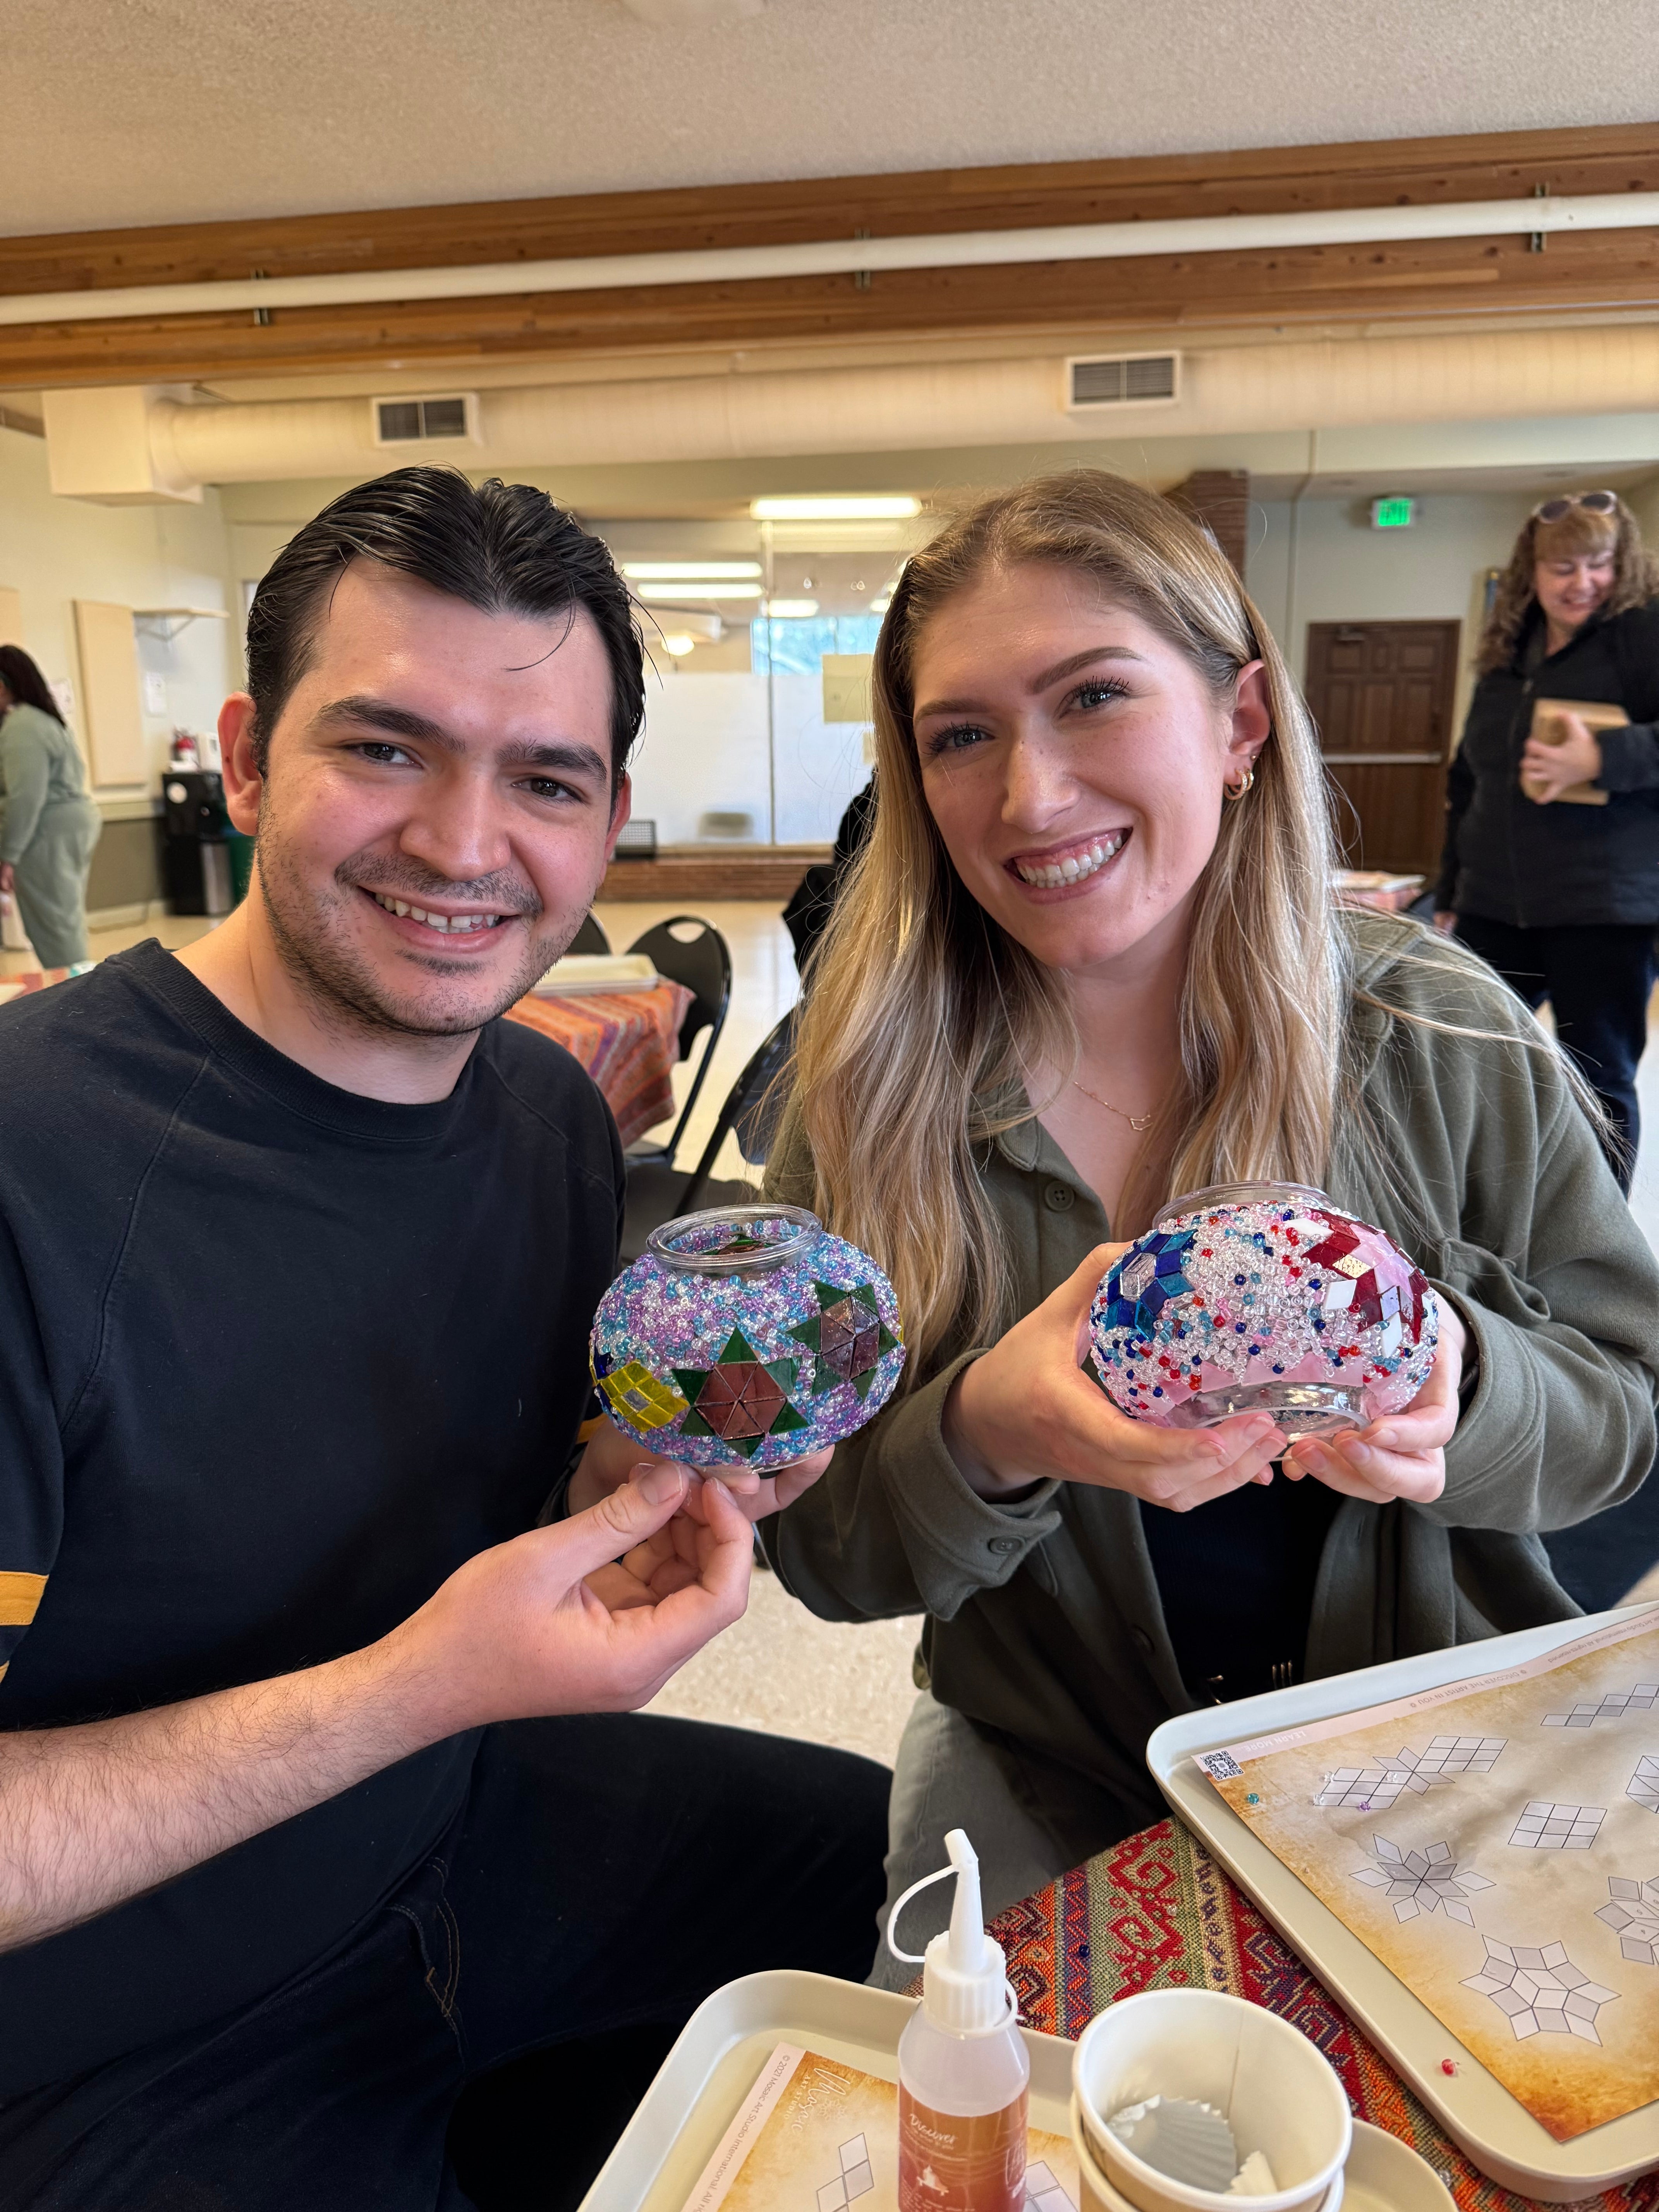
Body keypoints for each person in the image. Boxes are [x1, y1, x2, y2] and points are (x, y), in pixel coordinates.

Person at [0, 467, 888, 2212]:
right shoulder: (33, 1172)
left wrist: (624, 1476)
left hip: (452, 1831)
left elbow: (471, 1491)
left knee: (877, 1866)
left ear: (608, 811)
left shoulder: (549, 1120)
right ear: (249, 760)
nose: (467, 844)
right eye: (384, 748)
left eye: (543, 778)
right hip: (108, 2025)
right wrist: (418, 1687)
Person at [730, 469, 1657, 1983]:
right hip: (1054, 1761)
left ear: (1240, 724)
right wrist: (985, 1434)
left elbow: (1630, 1413)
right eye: (963, 733)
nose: (1030, 795)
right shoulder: (860, 1101)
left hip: (1443, 1749)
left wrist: (1459, 1384)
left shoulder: (1437, 1034)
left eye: (1094, 697)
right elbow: (826, 1555)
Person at [1433, 490, 1659, 1188]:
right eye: (1563, 567)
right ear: (1530, 569)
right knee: (1453, 1060)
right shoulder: (1508, 650)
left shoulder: (1641, 635)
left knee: (1597, 1079)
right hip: (1494, 903)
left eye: (1597, 564)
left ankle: (1596, 1253)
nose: (1581, 582)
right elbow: (1467, 778)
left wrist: (1601, 760)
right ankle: (1473, 1209)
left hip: (1603, 908)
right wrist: (1449, 891)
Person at [0, 644, 101, 974]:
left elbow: (24, 799)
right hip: (66, 826)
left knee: (56, 930)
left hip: (46, 832)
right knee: (62, 921)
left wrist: (8, 856)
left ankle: (79, 1006)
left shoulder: (21, 727)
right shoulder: (41, 721)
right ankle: (79, 995)